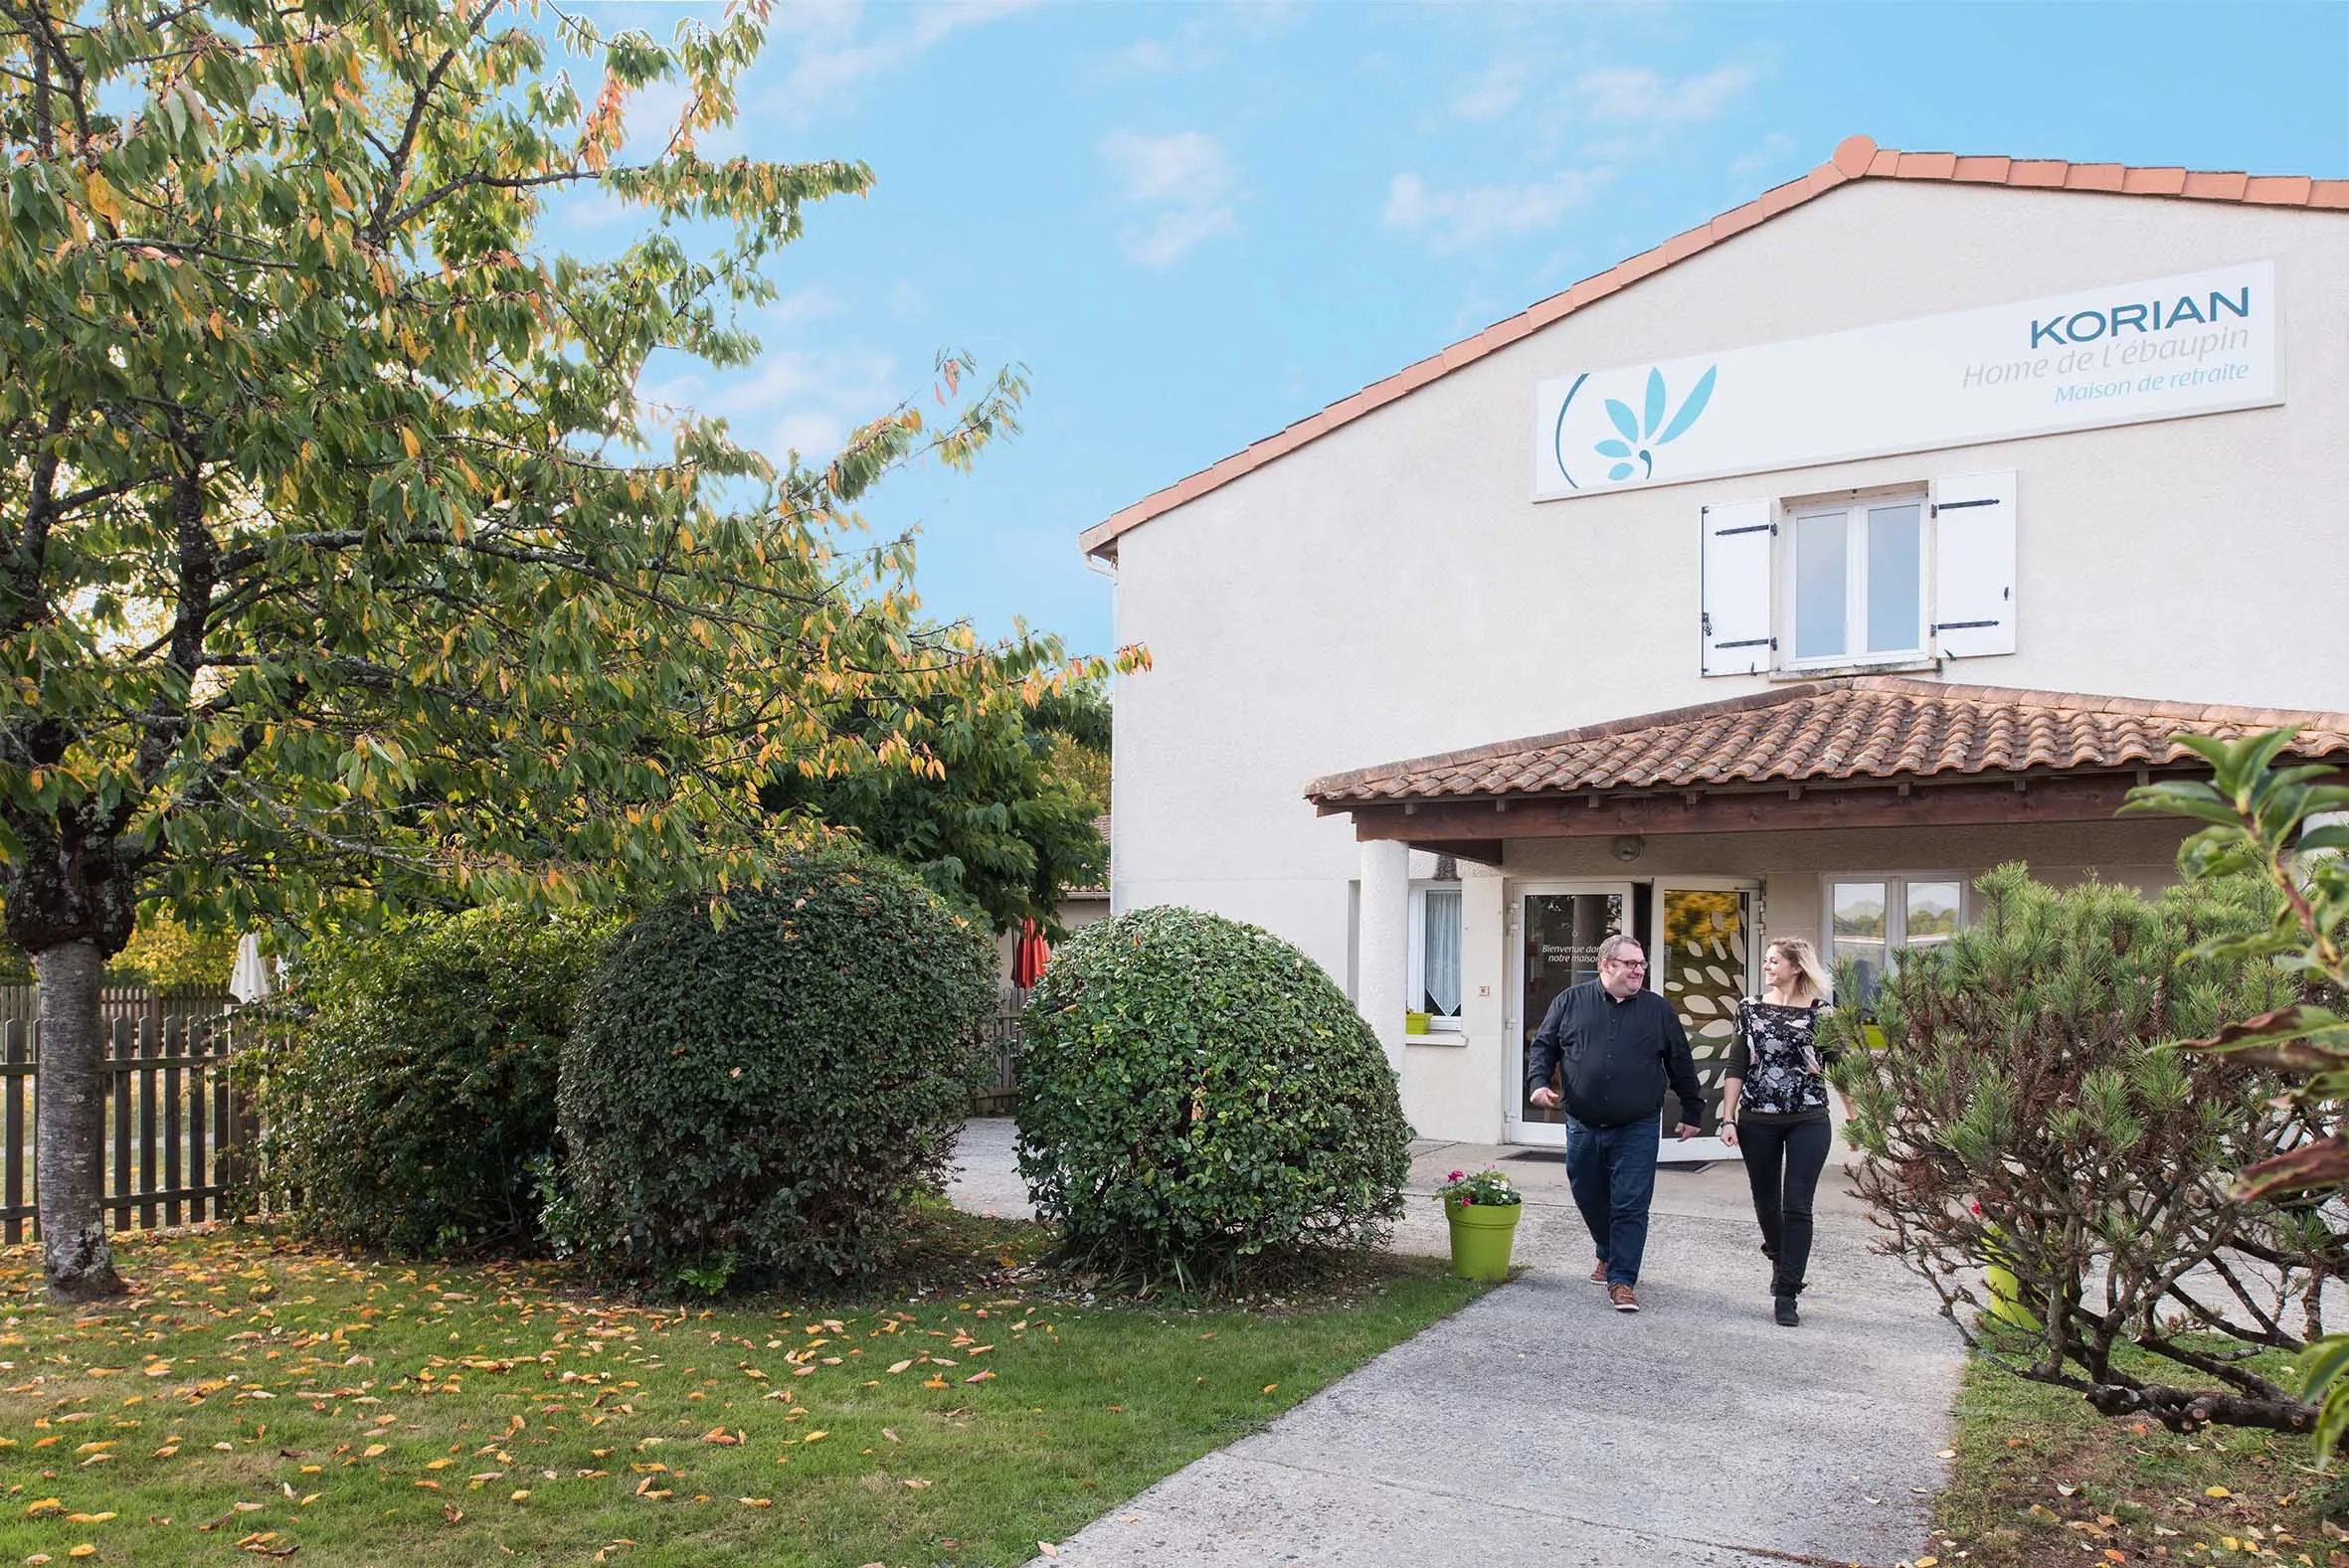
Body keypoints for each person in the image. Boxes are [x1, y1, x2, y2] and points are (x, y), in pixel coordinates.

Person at [1526, 934, 1705, 1313]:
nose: (1639, 970)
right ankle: (1607, 1251)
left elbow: (1680, 1062)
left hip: (1637, 1125)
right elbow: (1544, 1046)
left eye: (1641, 964)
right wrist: (1538, 1083)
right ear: (1606, 965)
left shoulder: (1658, 1010)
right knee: (1588, 1194)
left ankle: (1622, 1280)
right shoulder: (1569, 1002)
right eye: (1631, 964)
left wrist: (1692, 1111)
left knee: (1631, 1202)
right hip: (1583, 1123)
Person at [1718, 936, 1843, 1328]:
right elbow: (1737, 1065)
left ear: (1796, 967)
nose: (1767, 966)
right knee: (1766, 1202)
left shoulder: (1823, 1014)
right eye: (1767, 960)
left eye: (1774, 961)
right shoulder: (1750, 1008)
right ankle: (1778, 1255)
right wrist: (1728, 1117)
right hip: (1758, 1118)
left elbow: (1841, 1069)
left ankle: (1787, 1291)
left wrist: (1858, 1118)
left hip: (1809, 1117)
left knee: (1798, 1205)